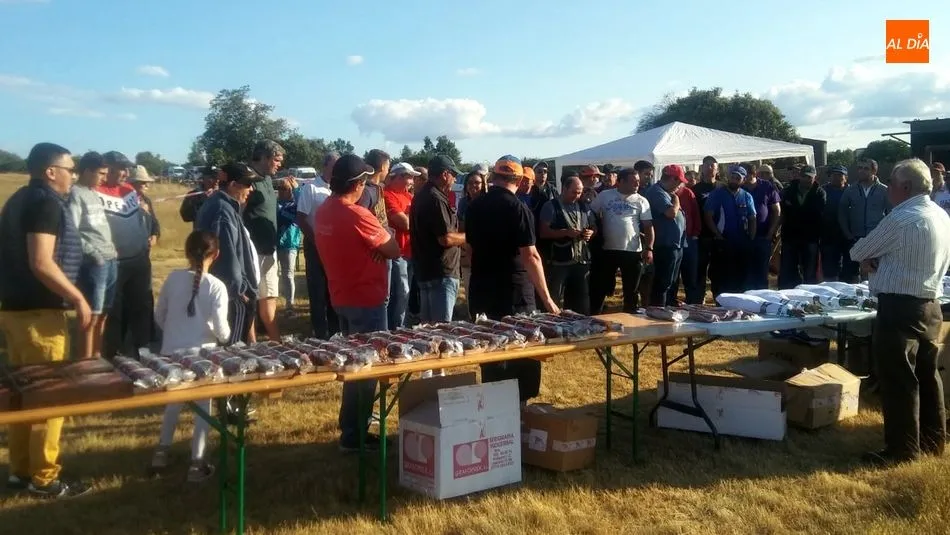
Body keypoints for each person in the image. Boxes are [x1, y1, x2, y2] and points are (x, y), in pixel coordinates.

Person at [0, 142, 91, 498]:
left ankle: (20, 471)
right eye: (69, 169)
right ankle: (45, 477)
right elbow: (41, 261)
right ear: (50, 171)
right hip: (40, 315)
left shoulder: (16, 200)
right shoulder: (45, 203)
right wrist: (77, 296)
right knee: (48, 397)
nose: (72, 175)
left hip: (15, 311)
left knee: (23, 393)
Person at [850, 158, 950, 465]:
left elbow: (859, 251)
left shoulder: (901, 217)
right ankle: (933, 441)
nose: (888, 189)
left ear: (904, 187)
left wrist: (872, 262)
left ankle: (902, 450)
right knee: (927, 375)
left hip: (899, 307)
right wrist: (879, 262)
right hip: (931, 304)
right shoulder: (939, 213)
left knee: (899, 380)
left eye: (891, 183)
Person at [315, 154, 401, 452]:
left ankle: (350, 428)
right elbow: (392, 249)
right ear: (358, 184)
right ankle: (355, 435)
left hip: (341, 297)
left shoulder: (324, 210)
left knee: (353, 368)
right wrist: (381, 240)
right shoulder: (358, 215)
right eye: (366, 181)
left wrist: (373, 247)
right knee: (365, 372)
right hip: (367, 299)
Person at [466, 155, 559, 404]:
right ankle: (518, 410)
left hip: (482, 287)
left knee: (490, 347)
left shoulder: (475, 205)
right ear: (518, 180)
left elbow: (470, 248)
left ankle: (492, 406)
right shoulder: (519, 208)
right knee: (521, 347)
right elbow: (531, 256)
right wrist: (548, 299)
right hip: (514, 290)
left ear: (494, 178)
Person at [150, 231, 230, 482]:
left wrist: (175, 334)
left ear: (186, 252)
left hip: (171, 352)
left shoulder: (172, 279)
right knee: (203, 410)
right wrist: (225, 336)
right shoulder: (217, 286)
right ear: (216, 255)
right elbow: (222, 331)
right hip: (203, 356)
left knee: (172, 404)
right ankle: (197, 462)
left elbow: (159, 315)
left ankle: (161, 453)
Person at [195, 162, 262, 345]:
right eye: (248, 184)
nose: (251, 189)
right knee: (233, 351)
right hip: (231, 294)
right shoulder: (223, 210)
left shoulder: (223, 205)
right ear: (233, 185)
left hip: (225, 290)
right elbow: (227, 255)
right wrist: (238, 291)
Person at [96, 151, 154, 358]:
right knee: (114, 311)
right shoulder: (94, 191)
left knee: (141, 306)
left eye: (127, 168)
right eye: (121, 168)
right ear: (107, 168)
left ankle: (142, 350)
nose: (126, 172)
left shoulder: (128, 190)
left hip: (138, 260)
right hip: (114, 263)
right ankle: (112, 354)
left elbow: (140, 219)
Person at [69, 152, 118, 360]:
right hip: (95, 264)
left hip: (111, 259)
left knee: (104, 314)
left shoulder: (93, 193)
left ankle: (97, 358)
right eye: (100, 173)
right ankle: (86, 365)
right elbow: (71, 230)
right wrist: (94, 254)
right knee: (92, 316)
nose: (104, 178)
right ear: (87, 171)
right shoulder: (75, 194)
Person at [588, 167, 654, 313]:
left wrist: (649, 248)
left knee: (631, 291)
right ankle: (595, 316)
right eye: (633, 182)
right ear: (621, 182)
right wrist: (593, 225)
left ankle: (631, 321)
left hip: (632, 251)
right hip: (608, 250)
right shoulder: (605, 195)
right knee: (601, 287)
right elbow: (590, 211)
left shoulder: (641, 201)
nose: (637, 184)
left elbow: (648, 226)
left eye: (638, 181)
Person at [410, 155, 464, 324]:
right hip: (441, 273)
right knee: (441, 332)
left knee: (429, 331)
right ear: (445, 174)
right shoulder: (436, 198)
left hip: (426, 271)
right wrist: (470, 235)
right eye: (453, 175)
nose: (454, 179)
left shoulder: (421, 195)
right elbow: (446, 238)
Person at [538, 175, 595, 314]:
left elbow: (594, 226)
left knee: (581, 300)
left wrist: (590, 233)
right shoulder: (551, 206)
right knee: (554, 298)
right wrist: (565, 232)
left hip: (581, 261)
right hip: (559, 262)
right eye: (574, 192)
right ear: (564, 189)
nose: (577, 195)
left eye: (579, 192)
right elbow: (543, 232)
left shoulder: (584, 206)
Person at [296, 152, 338, 339]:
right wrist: (316, 241)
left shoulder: (338, 189)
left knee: (333, 289)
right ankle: (319, 331)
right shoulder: (310, 188)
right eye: (334, 165)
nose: (337, 169)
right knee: (317, 289)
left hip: (334, 248)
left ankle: (335, 330)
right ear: (325, 166)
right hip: (315, 246)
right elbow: (302, 218)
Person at [246, 139, 284, 341]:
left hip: (269, 249)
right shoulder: (247, 180)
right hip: (252, 250)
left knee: (269, 296)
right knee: (250, 300)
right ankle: (251, 347)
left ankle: (276, 343)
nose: (279, 164)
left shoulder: (268, 179)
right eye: (277, 160)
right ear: (264, 157)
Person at [704, 165, 756, 296]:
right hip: (722, 241)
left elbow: (752, 217)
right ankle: (720, 302)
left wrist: (751, 237)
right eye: (732, 177)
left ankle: (738, 301)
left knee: (740, 275)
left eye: (738, 178)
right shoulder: (717, 194)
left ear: (743, 180)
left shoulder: (747, 196)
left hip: (741, 242)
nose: (734, 180)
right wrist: (717, 234)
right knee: (720, 276)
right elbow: (708, 216)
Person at [838, 158, 890, 282]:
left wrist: (885, 235)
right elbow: (842, 212)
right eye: (859, 168)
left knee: (874, 274)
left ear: (874, 171)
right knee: (852, 275)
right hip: (855, 238)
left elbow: (892, 214)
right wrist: (847, 233)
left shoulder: (885, 190)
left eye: (866, 168)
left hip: (876, 239)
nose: (861, 171)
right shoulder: (850, 190)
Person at [644, 165, 688, 306]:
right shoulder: (657, 192)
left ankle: (667, 307)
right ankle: (658, 310)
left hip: (675, 244)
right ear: (672, 178)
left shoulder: (666, 192)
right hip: (665, 244)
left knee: (671, 282)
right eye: (679, 181)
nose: (680, 185)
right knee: (663, 282)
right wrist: (676, 201)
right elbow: (670, 213)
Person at [778, 165, 826, 288]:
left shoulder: (820, 193)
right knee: (787, 270)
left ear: (815, 177)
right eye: (804, 176)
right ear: (800, 176)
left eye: (809, 177)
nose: (806, 179)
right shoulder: (788, 191)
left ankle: (810, 297)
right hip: (790, 237)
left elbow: (821, 216)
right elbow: (781, 213)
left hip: (810, 238)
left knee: (809, 272)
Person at [383, 162, 419, 329]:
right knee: (400, 294)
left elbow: (416, 220)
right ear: (397, 177)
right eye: (409, 177)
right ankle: (397, 329)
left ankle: (400, 326)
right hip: (398, 253)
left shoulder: (409, 196)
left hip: (410, 251)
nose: (412, 181)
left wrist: (410, 216)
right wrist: (411, 217)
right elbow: (405, 224)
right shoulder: (387, 195)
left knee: (405, 293)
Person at [742, 162, 781, 290]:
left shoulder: (767, 186)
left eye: (744, 174)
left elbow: (776, 210)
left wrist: (771, 232)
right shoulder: (739, 188)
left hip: (763, 235)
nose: (741, 176)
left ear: (752, 174)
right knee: (746, 270)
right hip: (743, 236)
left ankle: (762, 299)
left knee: (762, 270)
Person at [691, 155, 719, 303]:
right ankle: (697, 301)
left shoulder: (723, 187)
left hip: (720, 238)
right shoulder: (695, 190)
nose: (710, 169)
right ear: (702, 168)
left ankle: (719, 300)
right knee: (699, 270)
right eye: (707, 166)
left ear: (717, 169)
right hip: (701, 237)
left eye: (713, 166)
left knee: (717, 272)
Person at [820, 165, 850, 281]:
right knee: (829, 269)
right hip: (828, 236)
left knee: (849, 269)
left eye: (839, 175)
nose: (836, 177)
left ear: (846, 178)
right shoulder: (822, 190)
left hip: (848, 235)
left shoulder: (852, 191)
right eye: (833, 175)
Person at [675, 178, 702, 303]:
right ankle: (671, 303)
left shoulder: (688, 192)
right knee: (673, 275)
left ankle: (693, 303)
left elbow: (695, 213)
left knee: (691, 275)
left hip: (689, 239)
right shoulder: (663, 193)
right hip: (673, 241)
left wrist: (696, 232)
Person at [276, 177, 301, 312]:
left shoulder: (295, 205)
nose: (281, 191)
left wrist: (297, 188)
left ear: (290, 190)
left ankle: (289, 304)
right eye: (279, 188)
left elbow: (302, 201)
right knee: (274, 274)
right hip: (274, 243)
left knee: (288, 274)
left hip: (289, 243)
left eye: (284, 188)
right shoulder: (275, 204)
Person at [129, 165, 161, 248]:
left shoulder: (146, 200)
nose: (147, 185)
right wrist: (141, 211)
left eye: (148, 182)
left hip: (145, 247)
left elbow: (154, 221)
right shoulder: (123, 200)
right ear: (133, 183)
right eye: (143, 182)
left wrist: (154, 235)